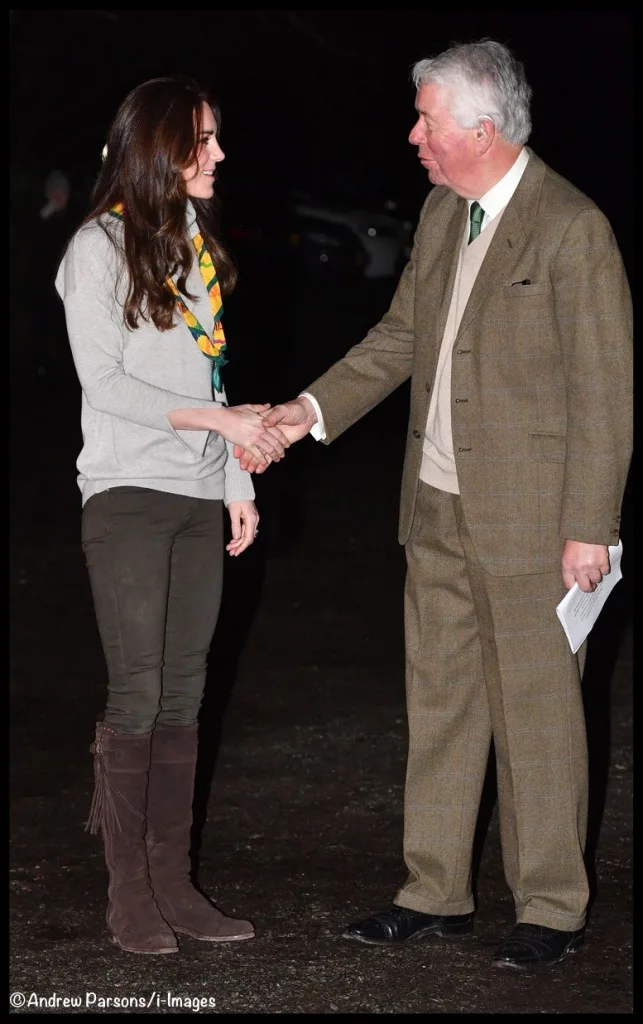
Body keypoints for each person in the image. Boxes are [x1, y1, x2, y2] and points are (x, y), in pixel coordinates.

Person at [235, 40, 633, 968]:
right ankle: (435, 890)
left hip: (536, 520)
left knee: (536, 712)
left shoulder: (570, 228)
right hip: (439, 505)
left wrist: (591, 526)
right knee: (443, 702)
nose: (413, 136)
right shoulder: (440, 209)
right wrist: (304, 412)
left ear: (480, 130)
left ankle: (549, 905)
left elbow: (605, 390)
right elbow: (400, 338)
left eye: (426, 121)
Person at [55, 75, 291, 955]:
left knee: (186, 694)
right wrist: (215, 424)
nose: (219, 154)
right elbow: (104, 383)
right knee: (138, 691)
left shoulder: (192, 240)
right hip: (126, 494)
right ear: (158, 148)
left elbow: (212, 371)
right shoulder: (96, 247)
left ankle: (177, 885)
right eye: (202, 139)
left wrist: (238, 477)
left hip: (200, 494)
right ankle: (131, 897)